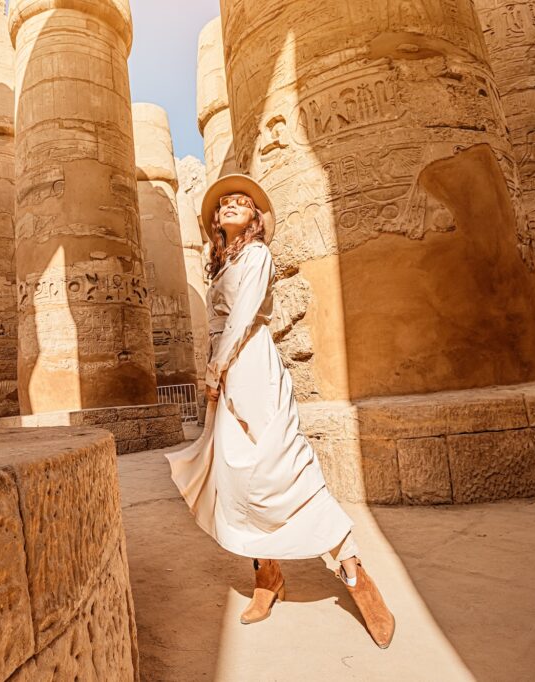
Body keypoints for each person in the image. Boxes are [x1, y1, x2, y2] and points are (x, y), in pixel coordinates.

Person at [165, 174, 396, 649]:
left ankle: (352, 567)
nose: (230, 204)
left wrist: (215, 369)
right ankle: (267, 574)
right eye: (224, 202)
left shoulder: (256, 256)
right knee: (234, 477)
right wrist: (216, 371)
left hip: (247, 365)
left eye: (240, 202)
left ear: (255, 218)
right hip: (227, 369)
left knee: (284, 467)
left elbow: (245, 316)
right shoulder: (222, 264)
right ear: (215, 221)